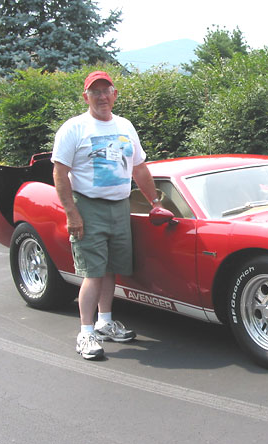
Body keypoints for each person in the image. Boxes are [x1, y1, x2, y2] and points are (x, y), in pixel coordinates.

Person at [52, 71, 162, 360]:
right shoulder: (74, 128)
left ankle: (105, 323)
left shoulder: (125, 126)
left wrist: (155, 202)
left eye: (106, 90)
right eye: (95, 92)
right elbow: (60, 173)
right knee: (93, 272)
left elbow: (138, 168)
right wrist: (72, 213)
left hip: (119, 207)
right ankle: (86, 334)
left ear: (115, 94)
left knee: (110, 268)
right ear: (85, 96)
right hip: (87, 207)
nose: (101, 97)